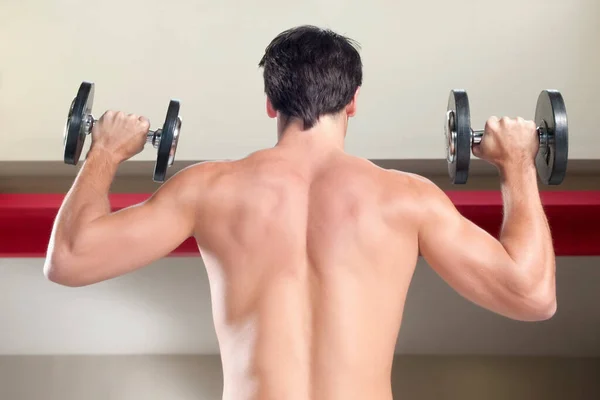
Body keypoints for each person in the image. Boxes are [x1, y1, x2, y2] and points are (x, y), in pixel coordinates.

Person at [44, 25, 556, 400]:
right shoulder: (406, 198)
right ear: (353, 101)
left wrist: (106, 152)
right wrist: (516, 163)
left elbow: (69, 259)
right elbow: (532, 295)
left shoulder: (207, 189)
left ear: (271, 103)